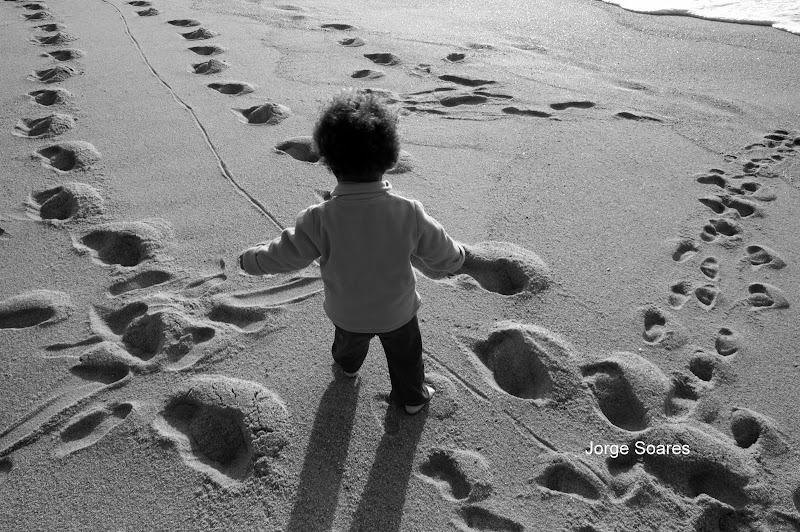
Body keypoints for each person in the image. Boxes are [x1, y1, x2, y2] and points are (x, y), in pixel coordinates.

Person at [239, 89, 466, 415]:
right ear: (391, 157)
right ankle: (413, 398)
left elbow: (285, 253)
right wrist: (457, 258)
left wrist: (251, 260)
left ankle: (347, 367)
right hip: (397, 313)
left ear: (328, 160)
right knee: (406, 356)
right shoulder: (408, 212)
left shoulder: (319, 218)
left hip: (347, 313)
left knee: (348, 347)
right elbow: (441, 249)